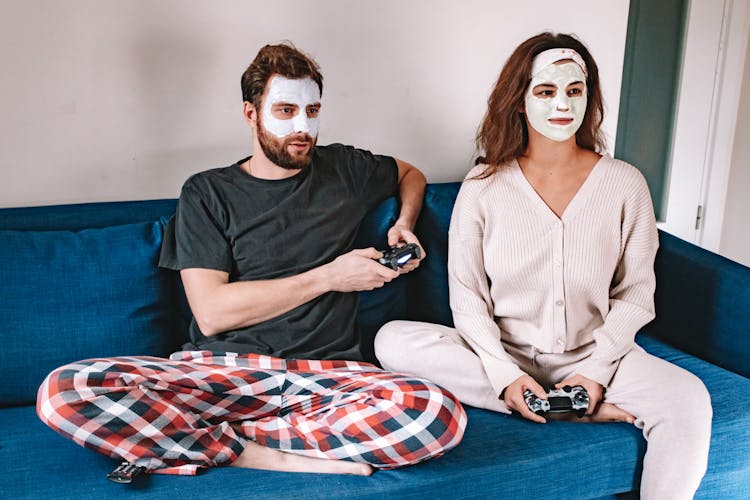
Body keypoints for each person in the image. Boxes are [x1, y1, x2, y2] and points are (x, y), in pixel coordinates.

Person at [37, 42, 466, 478]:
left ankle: (208, 441)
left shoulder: (345, 168)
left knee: (438, 413)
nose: (303, 127)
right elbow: (211, 314)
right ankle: (257, 450)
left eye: (313, 110)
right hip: (223, 373)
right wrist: (330, 277)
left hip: (327, 378)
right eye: (285, 111)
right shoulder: (208, 192)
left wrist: (404, 225)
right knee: (64, 390)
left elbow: (410, 173)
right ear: (250, 113)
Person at [375, 32, 712, 499]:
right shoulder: (483, 186)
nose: (562, 104)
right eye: (546, 91)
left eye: (575, 90)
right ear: (520, 100)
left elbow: (636, 294)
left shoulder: (624, 184)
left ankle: (570, 398)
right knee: (391, 340)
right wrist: (505, 374)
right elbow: (467, 298)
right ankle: (554, 403)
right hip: (502, 354)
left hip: (598, 358)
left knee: (689, 398)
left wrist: (595, 370)